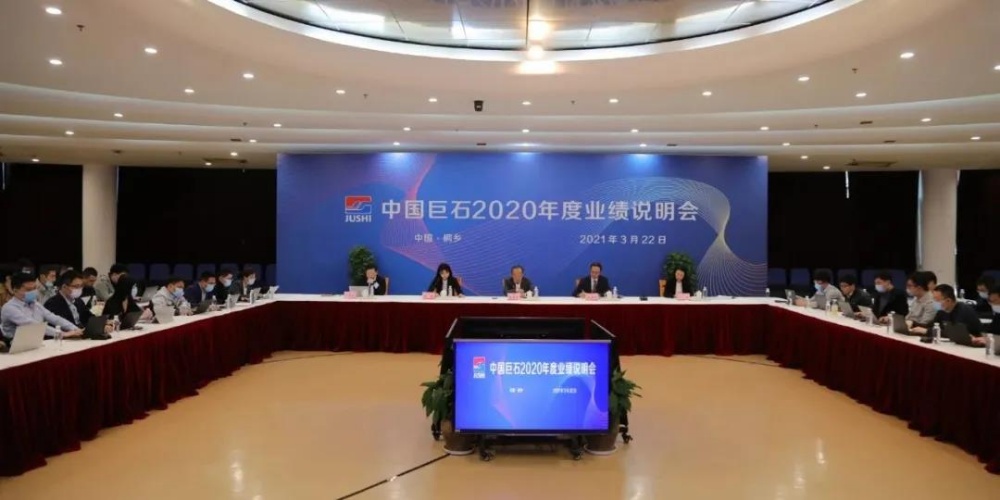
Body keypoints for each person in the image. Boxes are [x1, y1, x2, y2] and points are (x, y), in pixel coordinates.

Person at [1, 273, 83, 348]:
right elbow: (33, 325)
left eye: (34, 288)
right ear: (15, 290)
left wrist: (75, 329)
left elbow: (54, 318)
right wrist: (62, 334)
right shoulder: (9, 308)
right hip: (13, 347)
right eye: (28, 289)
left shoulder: (35, 304)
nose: (33, 292)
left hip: (36, 343)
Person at [44, 270, 108, 332]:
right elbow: (59, 327)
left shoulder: (78, 301)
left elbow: (88, 317)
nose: (79, 289)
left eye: (81, 286)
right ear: (64, 287)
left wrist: (102, 324)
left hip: (82, 333)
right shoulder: (52, 304)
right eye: (76, 286)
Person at [910, 284, 982, 338]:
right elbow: (932, 326)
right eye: (933, 299)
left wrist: (927, 331)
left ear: (948, 300)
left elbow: (955, 333)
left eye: (937, 300)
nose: (934, 303)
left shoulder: (963, 311)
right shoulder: (942, 311)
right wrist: (913, 324)